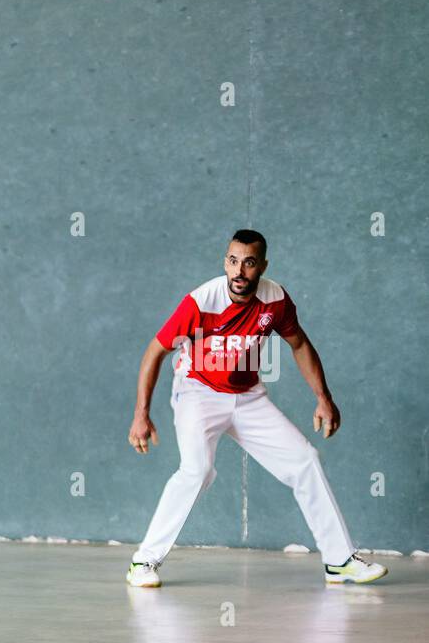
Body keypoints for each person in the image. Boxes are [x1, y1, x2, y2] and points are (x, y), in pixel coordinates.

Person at [127, 229, 386, 588]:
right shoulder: (202, 301)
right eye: (233, 261)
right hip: (197, 393)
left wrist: (323, 398)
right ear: (225, 262)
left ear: (262, 266)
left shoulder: (276, 299)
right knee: (197, 470)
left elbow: (300, 344)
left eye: (249, 263)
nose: (239, 271)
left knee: (305, 460)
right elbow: (155, 351)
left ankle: (340, 560)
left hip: (248, 397)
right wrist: (142, 414)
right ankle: (143, 562)